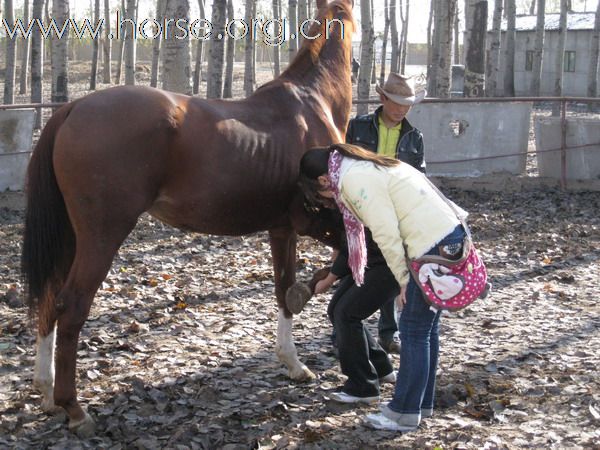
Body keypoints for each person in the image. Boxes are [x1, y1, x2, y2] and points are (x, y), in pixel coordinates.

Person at [298, 143, 468, 432]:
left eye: (321, 193)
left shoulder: (354, 180)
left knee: (414, 330)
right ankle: (420, 405)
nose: (326, 199)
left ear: (324, 181)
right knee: (426, 330)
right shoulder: (359, 165)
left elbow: (386, 234)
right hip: (444, 238)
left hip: (430, 245)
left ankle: (402, 411)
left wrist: (403, 279)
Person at [317, 73, 427, 354]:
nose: (402, 109)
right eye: (398, 102)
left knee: (389, 269)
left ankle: (388, 333)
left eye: (408, 104)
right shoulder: (359, 127)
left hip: (395, 210)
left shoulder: (414, 137)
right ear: (383, 99)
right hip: (360, 206)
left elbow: (420, 177)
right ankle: (342, 331)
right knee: (356, 265)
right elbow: (342, 164)